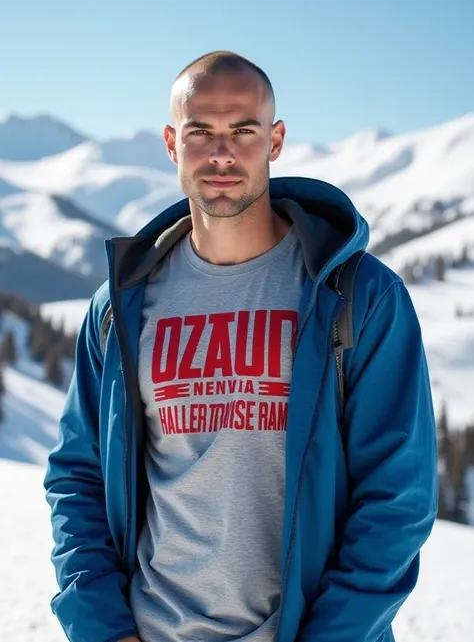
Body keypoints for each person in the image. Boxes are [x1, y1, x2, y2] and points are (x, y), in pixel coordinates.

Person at [44, 51, 438, 642]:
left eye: (243, 130)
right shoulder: (120, 304)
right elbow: (77, 476)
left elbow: (397, 498)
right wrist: (103, 629)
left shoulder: (357, 294)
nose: (222, 152)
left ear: (275, 140)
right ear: (172, 143)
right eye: (201, 131)